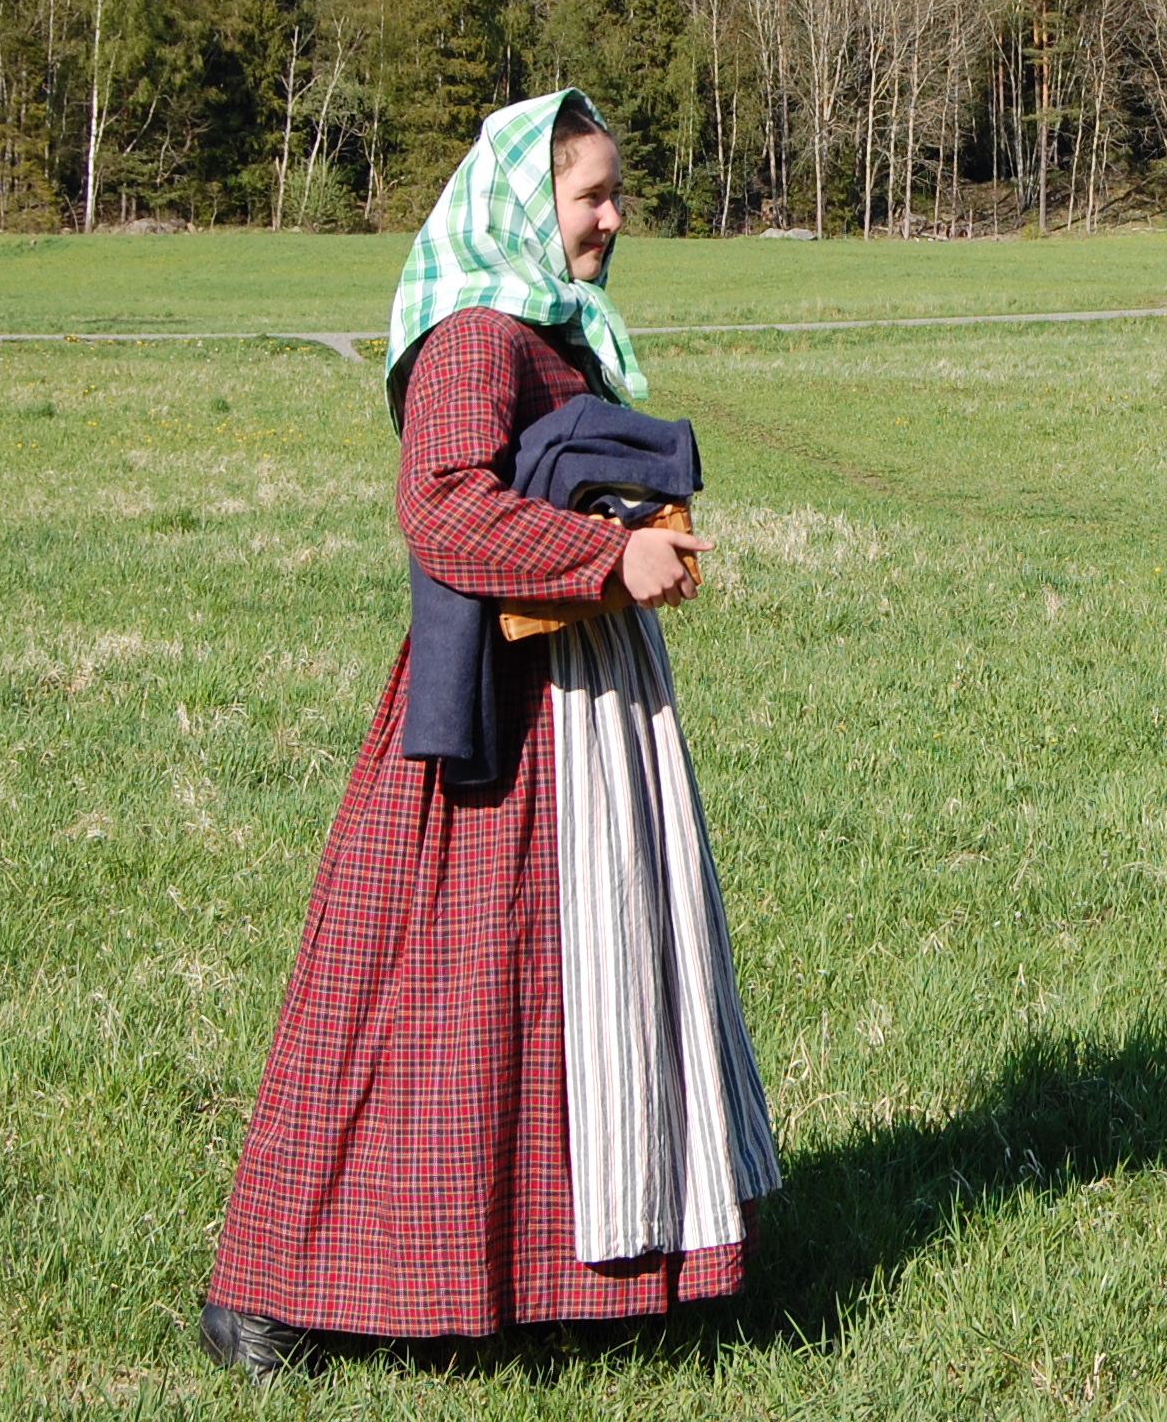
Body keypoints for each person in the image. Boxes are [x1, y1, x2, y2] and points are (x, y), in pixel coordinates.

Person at [200, 90, 780, 1379]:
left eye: (615, 196)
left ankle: (577, 1267)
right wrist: (604, 553)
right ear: (529, 204)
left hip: (580, 699)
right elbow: (446, 514)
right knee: (430, 992)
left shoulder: (551, 328)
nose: (614, 220)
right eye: (592, 199)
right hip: (509, 724)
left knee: (566, 986)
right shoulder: (476, 337)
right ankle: (287, 1289)